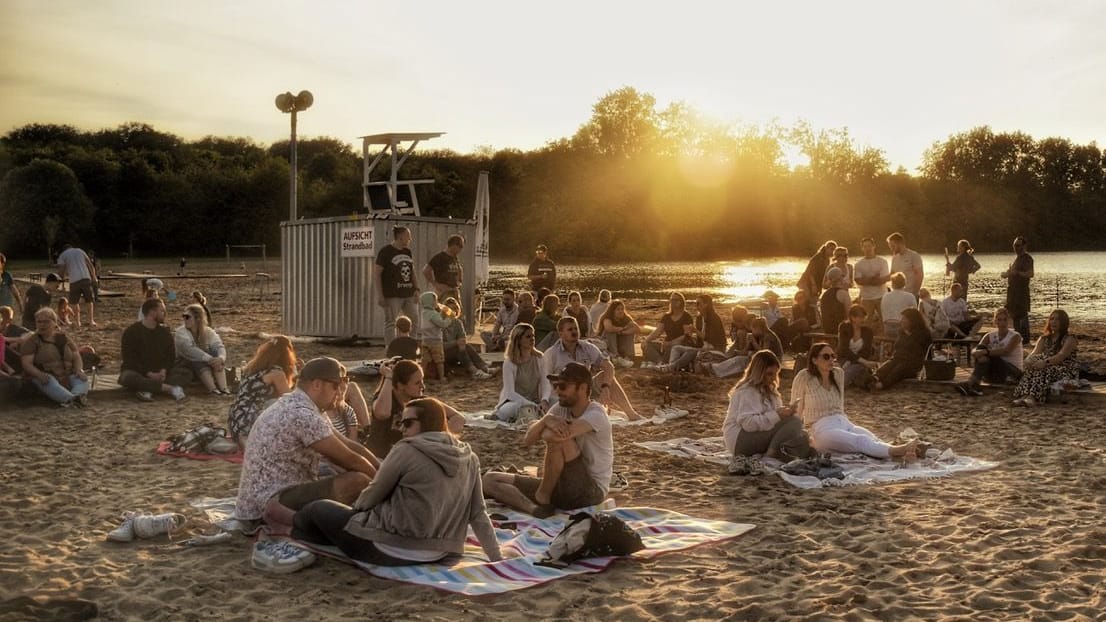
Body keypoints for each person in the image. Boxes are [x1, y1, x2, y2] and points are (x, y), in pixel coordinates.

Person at [292, 397, 501, 566]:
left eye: (408, 423)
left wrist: (355, 513)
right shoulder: (469, 457)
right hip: (440, 552)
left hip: (391, 549)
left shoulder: (407, 449)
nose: (402, 429)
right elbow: (478, 513)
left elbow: (373, 494)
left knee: (316, 510)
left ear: (427, 423)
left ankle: (293, 541)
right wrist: (496, 557)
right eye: (401, 423)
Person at [233, 358, 379, 533]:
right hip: (266, 504)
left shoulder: (304, 405)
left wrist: (384, 468)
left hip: (268, 494)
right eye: (336, 385)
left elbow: (351, 446)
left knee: (358, 475)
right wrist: (386, 485)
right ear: (317, 384)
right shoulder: (302, 414)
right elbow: (350, 460)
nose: (340, 391)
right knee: (358, 481)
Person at [483, 362, 613, 518]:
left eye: (563, 386)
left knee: (560, 440)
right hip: (559, 485)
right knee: (490, 480)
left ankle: (543, 497)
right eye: (556, 385)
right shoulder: (560, 409)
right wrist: (546, 420)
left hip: (589, 491)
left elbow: (555, 437)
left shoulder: (596, 414)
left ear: (583, 388)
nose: (557, 391)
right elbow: (528, 440)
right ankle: (535, 509)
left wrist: (544, 428)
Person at [792, 342, 920, 460]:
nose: (831, 359)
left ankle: (903, 454)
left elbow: (840, 404)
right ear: (814, 360)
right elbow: (795, 411)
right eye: (826, 356)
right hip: (821, 428)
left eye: (833, 356)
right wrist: (801, 436)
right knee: (861, 441)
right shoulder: (804, 377)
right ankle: (902, 450)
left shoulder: (838, 374)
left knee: (873, 439)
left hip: (844, 422)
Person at [723, 350, 811, 476]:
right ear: (759, 373)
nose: (773, 378)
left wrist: (786, 412)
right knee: (795, 422)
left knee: (802, 435)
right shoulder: (747, 391)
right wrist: (778, 415)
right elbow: (748, 424)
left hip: (758, 434)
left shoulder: (770, 390)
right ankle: (771, 454)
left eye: (775, 374)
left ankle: (779, 452)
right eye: (769, 374)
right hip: (740, 440)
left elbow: (774, 420)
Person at [544, 316, 643, 420]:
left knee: (605, 376)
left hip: (586, 389)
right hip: (565, 393)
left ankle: (631, 413)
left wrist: (605, 387)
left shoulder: (587, 347)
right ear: (560, 333)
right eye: (570, 329)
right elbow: (545, 380)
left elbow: (608, 366)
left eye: (575, 329)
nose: (574, 332)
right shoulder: (551, 354)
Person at [366, 359, 465, 460]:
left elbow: (458, 418)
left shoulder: (420, 402)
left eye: (422, 380)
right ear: (401, 386)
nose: (423, 386)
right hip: (381, 459)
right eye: (417, 383)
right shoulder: (385, 398)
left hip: (410, 457)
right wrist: (388, 377)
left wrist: (437, 438)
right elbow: (382, 413)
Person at [228, 336, 298, 445]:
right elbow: (291, 398)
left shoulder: (252, 368)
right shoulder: (276, 373)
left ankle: (245, 439)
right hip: (250, 417)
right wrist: (299, 377)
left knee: (273, 402)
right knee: (280, 404)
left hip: (236, 418)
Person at [119, 298, 188, 402]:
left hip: (160, 373)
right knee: (127, 378)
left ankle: (148, 390)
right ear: (152, 312)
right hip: (139, 372)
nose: (165, 313)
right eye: (162, 311)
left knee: (186, 372)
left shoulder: (164, 333)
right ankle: (170, 389)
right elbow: (129, 359)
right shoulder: (131, 332)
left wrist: (164, 370)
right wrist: (149, 374)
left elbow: (170, 356)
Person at [20, 307, 90, 407]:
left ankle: (75, 397)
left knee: (82, 379)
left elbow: (75, 354)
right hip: (45, 376)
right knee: (49, 381)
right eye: (39, 322)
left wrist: (79, 370)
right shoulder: (32, 341)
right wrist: (39, 374)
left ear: (54, 323)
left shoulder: (63, 337)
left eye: (46, 322)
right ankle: (71, 400)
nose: (42, 325)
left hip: (67, 374)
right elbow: (26, 364)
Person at [1012, 309, 1078, 407]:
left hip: (1065, 368)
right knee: (1031, 368)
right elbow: (1034, 353)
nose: (1054, 322)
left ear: (1063, 322)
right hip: (1046, 365)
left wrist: (1045, 362)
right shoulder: (1044, 338)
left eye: (1058, 320)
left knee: (1043, 370)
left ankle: (1033, 397)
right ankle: (1024, 396)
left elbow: (1061, 356)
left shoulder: (1070, 338)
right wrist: (1028, 362)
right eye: (1052, 319)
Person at [957, 308, 1023, 396]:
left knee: (992, 355)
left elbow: (1006, 351)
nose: (1002, 323)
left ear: (1008, 321)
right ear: (995, 321)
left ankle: (972, 383)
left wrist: (985, 352)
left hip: (1011, 372)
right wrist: (977, 352)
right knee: (982, 351)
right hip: (996, 372)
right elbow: (976, 349)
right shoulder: (989, 335)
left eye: (1005, 320)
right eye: (999, 320)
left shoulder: (1015, 336)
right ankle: (974, 385)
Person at [493, 323, 551, 423]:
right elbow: (510, 393)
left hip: (535, 401)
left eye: (533, 336)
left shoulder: (540, 358)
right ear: (518, 340)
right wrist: (530, 404)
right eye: (528, 336)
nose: (532, 339)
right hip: (513, 402)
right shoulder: (509, 362)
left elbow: (546, 382)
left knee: (557, 401)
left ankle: (531, 414)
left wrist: (544, 400)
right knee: (520, 407)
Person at [375, 226, 419, 346]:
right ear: (400, 237)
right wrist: (380, 295)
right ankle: (391, 349)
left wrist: (416, 289)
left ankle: (411, 346)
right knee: (391, 322)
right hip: (392, 294)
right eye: (408, 237)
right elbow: (377, 274)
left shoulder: (407, 251)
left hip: (408, 293)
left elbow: (412, 271)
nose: (410, 239)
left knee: (414, 319)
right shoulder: (385, 252)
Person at [174, 303, 230, 395]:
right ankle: (213, 389)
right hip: (184, 363)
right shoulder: (181, 332)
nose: (184, 319)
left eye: (187, 317)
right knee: (197, 359)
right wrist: (210, 359)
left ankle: (224, 388)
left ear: (198, 319)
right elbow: (190, 350)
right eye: (183, 316)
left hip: (205, 362)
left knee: (215, 355)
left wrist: (221, 358)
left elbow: (219, 346)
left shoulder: (208, 331)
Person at [662, 294, 726, 373]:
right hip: (704, 347)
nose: (696, 306)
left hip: (715, 348)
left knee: (691, 352)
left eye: (698, 303)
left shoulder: (713, 318)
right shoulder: (699, 318)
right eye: (696, 303)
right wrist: (690, 336)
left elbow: (709, 338)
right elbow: (700, 340)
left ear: (706, 305)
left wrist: (695, 330)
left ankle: (671, 367)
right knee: (676, 348)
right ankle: (671, 367)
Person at [874, 307, 932, 390]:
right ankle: (874, 379)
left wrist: (909, 336)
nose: (901, 321)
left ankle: (882, 385)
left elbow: (919, 351)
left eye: (904, 319)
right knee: (887, 366)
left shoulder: (923, 333)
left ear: (912, 320)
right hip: (898, 359)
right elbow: (898, 347)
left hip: (913, 363)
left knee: (898, 370)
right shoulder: (902, 332)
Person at [704, 317, 781, 379]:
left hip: (773, 362)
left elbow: (765, 353)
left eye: (753, 329)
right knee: (739, 358)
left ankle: (717, 371)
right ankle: (716, 369)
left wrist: (753, 342)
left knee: (741, 361)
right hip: (766, 361)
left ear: (758, 328)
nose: (752, 331)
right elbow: (746, 351)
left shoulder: (768, 336)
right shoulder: (760, 336)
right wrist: (746, 346)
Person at [440, 297, 492, 379]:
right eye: (450, 309)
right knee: (460, 348)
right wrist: (456, 343)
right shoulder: (441, 324)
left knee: (466, 346)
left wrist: (460, 343)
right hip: (443, 354)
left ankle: (484, 368)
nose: (453, 311)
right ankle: (475, 371)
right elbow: (440, 346)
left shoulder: (457, 322)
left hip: (458, 350)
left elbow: (462, 338)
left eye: (455, 308)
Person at [642, 292, 693, 366]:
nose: (673, 302)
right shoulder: (666, 316)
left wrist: (671, 343)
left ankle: (659, 362)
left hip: (679, 344)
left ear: (681, 302)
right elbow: (658, 331)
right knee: (647, 345)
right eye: (672, 300)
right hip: (666, 344)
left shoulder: (686, 317)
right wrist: (646, 340)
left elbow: (687, 335)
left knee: (672, 348)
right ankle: (660, 362)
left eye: (676, 300)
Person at [837, 305, 879, 389]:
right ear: (852, 318)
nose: (863, 320)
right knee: (857, 373)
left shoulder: (868, 332)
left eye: (864, 317)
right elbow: (843, 349)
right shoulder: (844, 327)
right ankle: (862, 380)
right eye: (860, 317)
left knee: (851, 371)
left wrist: (855, 361)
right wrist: (850, 361)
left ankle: (844, 382)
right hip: (845, 358)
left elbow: (866, 352)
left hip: (860, 361)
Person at [56, 243, 98, 327]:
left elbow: (61, 271)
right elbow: (90, 265)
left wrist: (62, 279)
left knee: (74, 302)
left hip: (74, 280)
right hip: (86, 277)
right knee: (89, 300)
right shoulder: (80, 250)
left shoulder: (63, 255)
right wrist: (94, 277)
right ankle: (91, 321)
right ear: (71, 247)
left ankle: (77, 322)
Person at [853, 237, 890, 330]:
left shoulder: (882, 262)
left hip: (882, 296)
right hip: (866, 298)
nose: (867, 248)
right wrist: (874, 278)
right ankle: (866, 343)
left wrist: (866, 279)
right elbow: (858, 280)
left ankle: (884, 343)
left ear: (874, 246)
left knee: (884, 322)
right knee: (865, 324)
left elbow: (883, 279)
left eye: (869, 246)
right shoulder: (859, 264)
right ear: (862, 248)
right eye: (865, 246)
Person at [1003, 236, 1035, 343]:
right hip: (1012, 292)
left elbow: (1030, 273)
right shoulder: (1017, 258)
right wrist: (1007, 274)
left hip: (1021, 292)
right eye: (1014, 245)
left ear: (1024, 246)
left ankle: (1025, 340)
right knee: (1014, 315)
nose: (1016, 248)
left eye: (1018, 245)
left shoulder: (1027, 258)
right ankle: (1019, 339)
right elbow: (1013, 273)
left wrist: (1016, 273)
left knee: (1022, 316)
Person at [423, 234, 464, 315]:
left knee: (457, 315)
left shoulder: (454, 257)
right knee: (446, 315)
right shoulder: (439, 257)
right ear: (454, 245)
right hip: (444, 292)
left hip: (454, 291)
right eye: (460, 246)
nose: (461, 249)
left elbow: (459, 269)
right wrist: (435, 284)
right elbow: (426, 270)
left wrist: (459, 281)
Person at [418, 291, 450, 382]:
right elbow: (441, 324)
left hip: (425, 340)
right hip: (435, 340)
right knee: (439, 360)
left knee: (424, 360)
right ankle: (441, 377)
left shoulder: (424, 312)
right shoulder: (433, 313)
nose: (437, 303)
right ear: (431, 302)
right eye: (435, 301)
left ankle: (421, 377)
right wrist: (449, 319)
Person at [598, 299, 640, 368]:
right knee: (611, 332)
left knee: (630, 332)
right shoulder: (607, 318)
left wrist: (624, 332)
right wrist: (620, 329)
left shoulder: (626, 318)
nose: (621, 311)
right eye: (618, 309)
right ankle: (616, 357)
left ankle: (628, 357)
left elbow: (637, 329)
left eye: (622, 309)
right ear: (613, 311)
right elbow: (608, 328)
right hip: (606, 345)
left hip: (619, 345)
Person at [887, 232, 924, 297]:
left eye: (893, 246)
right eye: (890, 246)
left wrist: (915, 293)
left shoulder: (914, 256)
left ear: (900, 243)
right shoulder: (894, 257)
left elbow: (920, 275)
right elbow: (892, 275)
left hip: (911, 294)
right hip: (897, 295)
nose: (891, 248)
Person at [880, 273, 916, 338]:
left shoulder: (885, 296)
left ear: (892, 284)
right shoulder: (910, 296)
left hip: (887, 328)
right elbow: (915, 314)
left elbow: (883, 311)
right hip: (902, 328)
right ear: (904, 283)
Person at [818, 267, 851, 336]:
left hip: (827, 330)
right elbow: (850, 314)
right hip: (841, 330)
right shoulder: (843, 293)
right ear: (840, 279)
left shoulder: (824, 295)